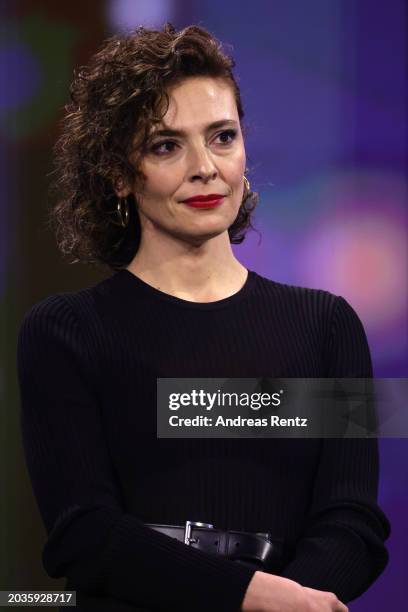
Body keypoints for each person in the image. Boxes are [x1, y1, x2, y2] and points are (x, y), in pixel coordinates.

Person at [16, 23, 390, 612]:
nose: (205, 168)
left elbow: (353, 523)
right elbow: (84, 534)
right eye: (166, 145)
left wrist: (292, 602)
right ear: (117, 173)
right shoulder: (67, 332)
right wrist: (245, 596)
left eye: (221, 137)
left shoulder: (327, 328)